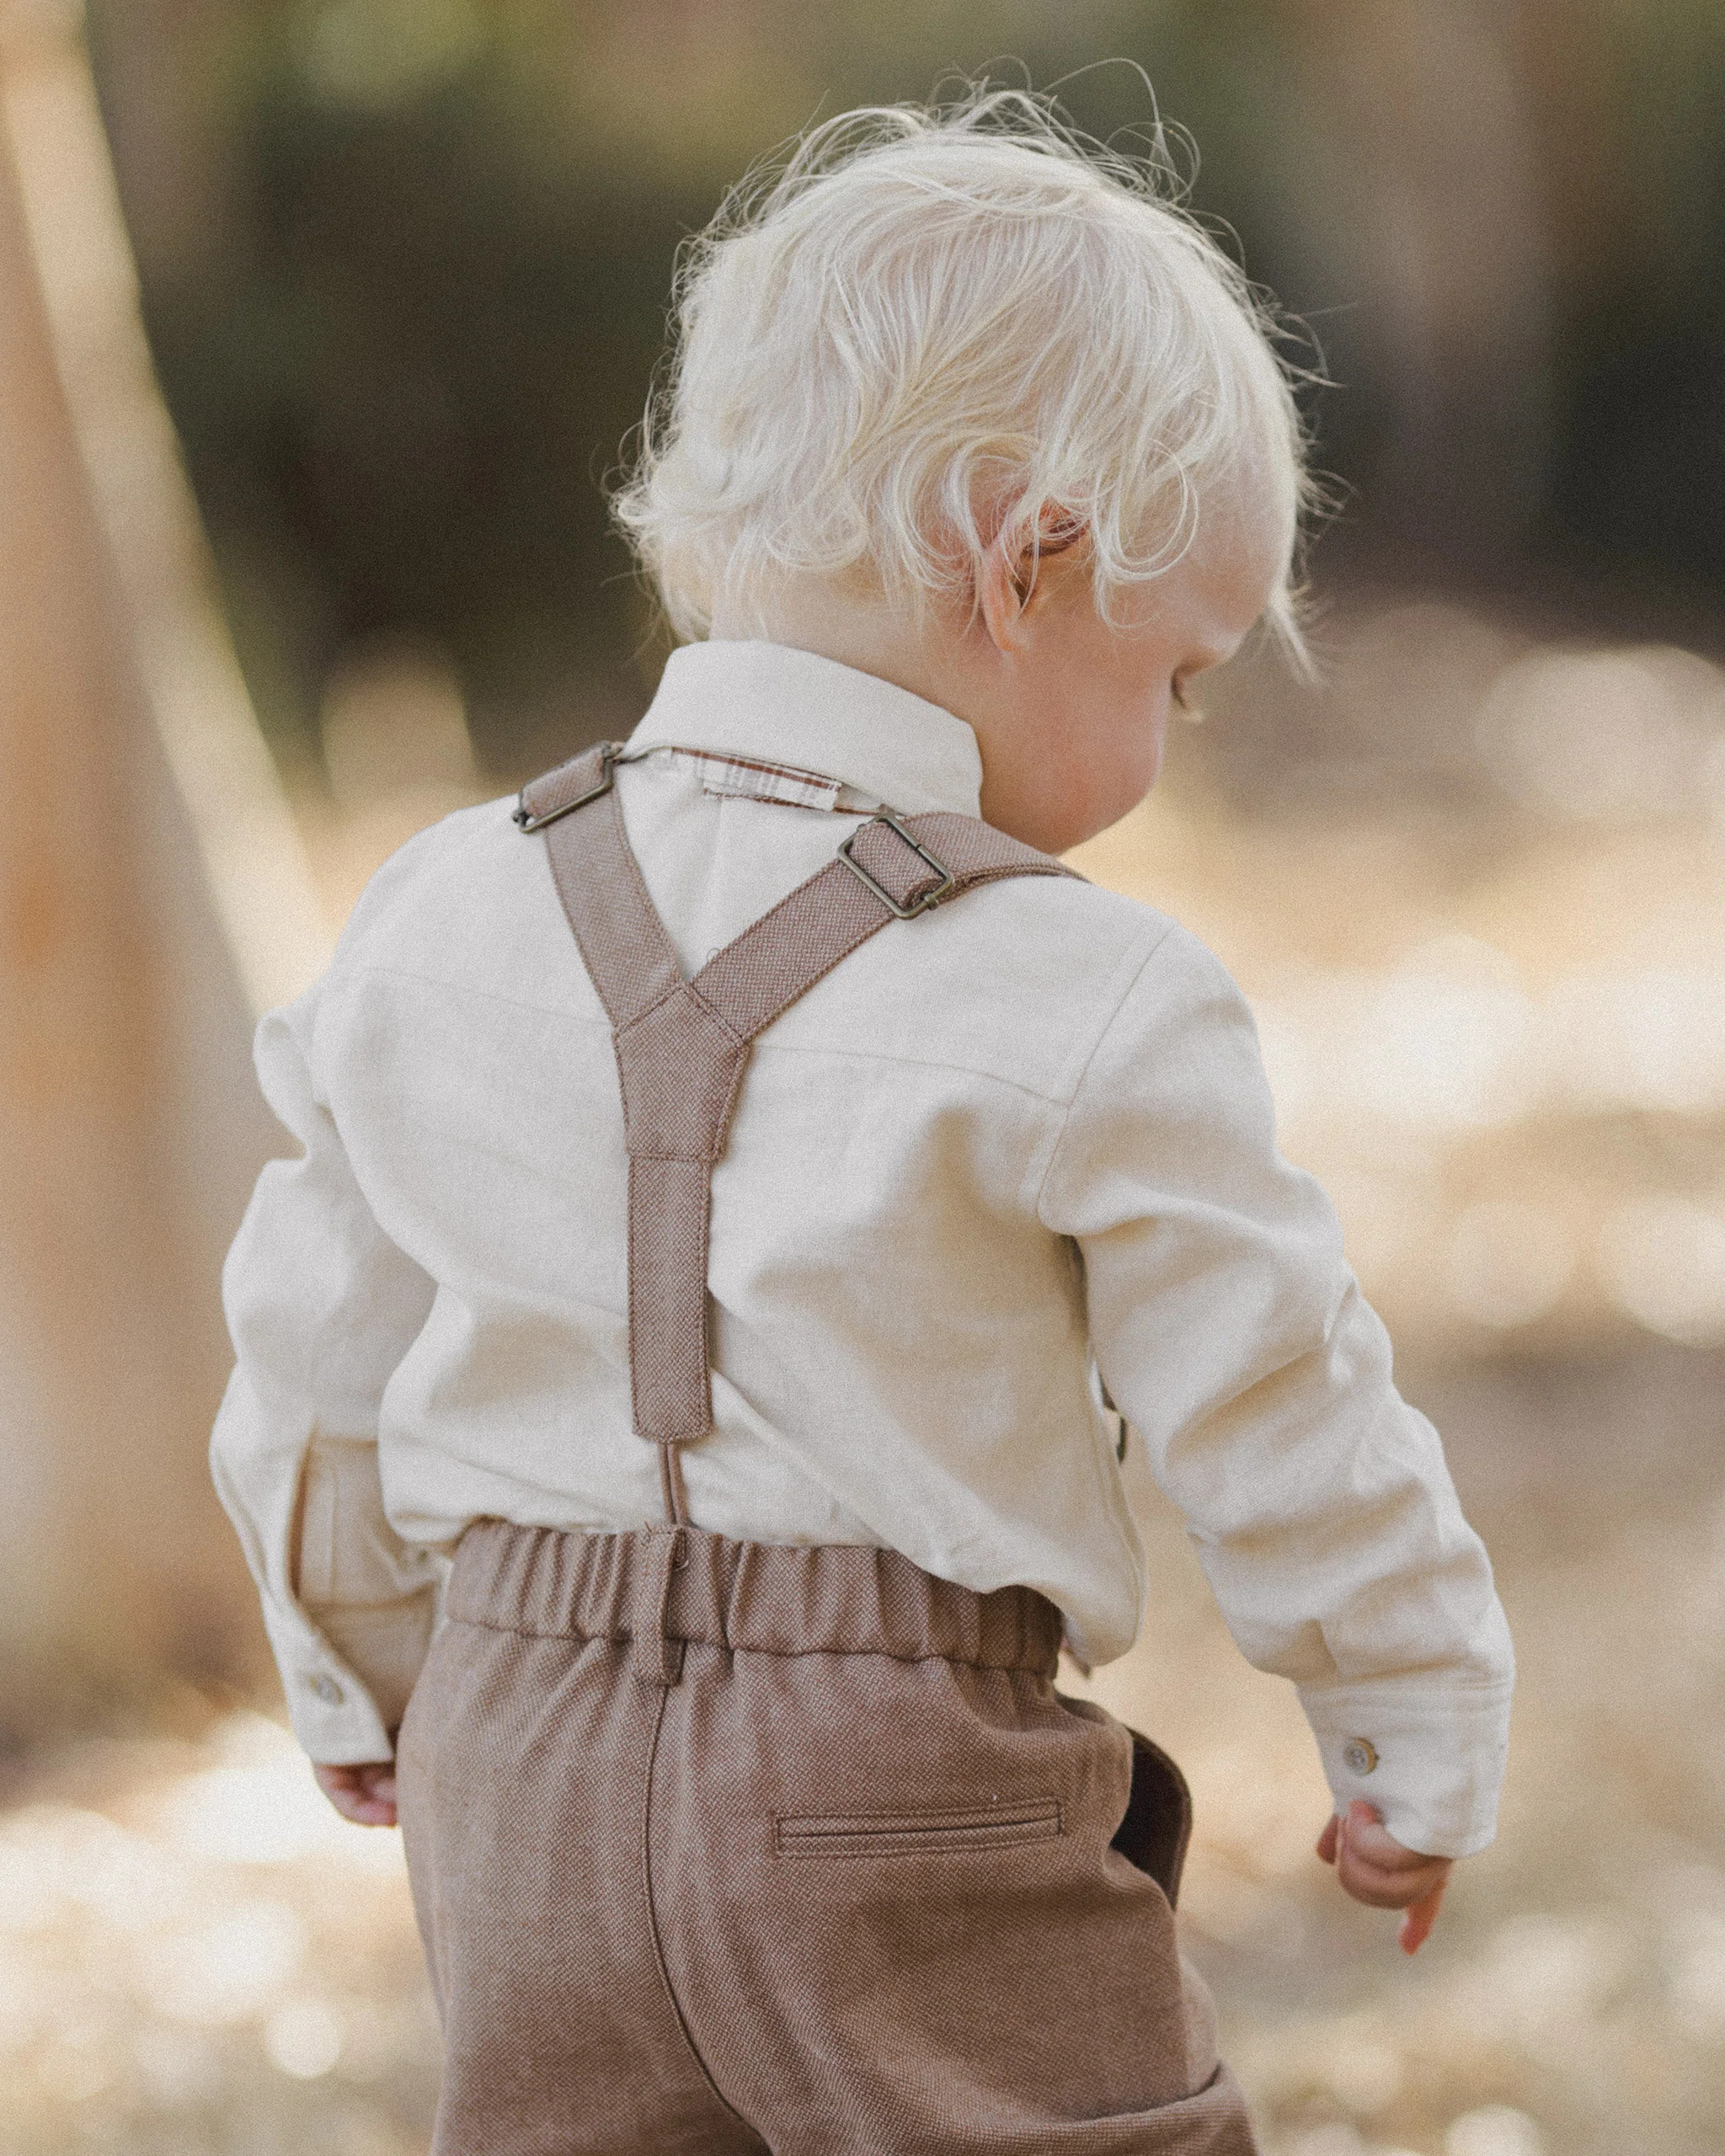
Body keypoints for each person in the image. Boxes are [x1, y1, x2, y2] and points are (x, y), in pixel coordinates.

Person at [212, 90, 1513, 2154]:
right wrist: (1408, 1713)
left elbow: (314, 1350)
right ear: (1024, 565)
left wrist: (359, 1662)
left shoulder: (433, 909)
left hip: (512, 1771)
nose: (1168, 745)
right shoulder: (1090, 991)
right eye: (1173, 678)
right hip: (896, 1775)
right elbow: (1276, 1395)